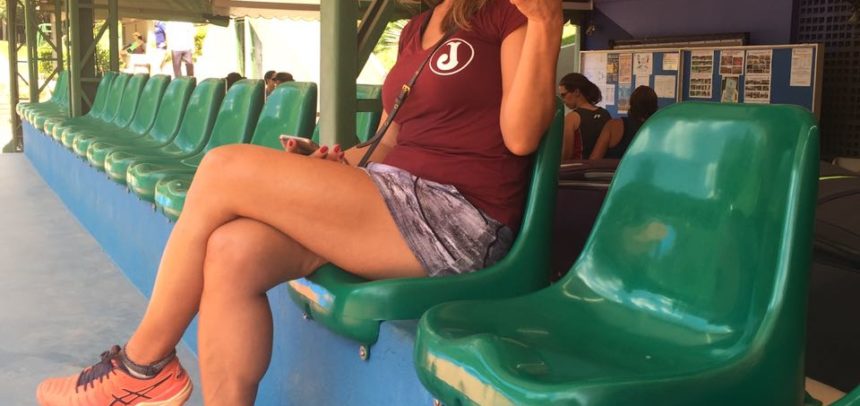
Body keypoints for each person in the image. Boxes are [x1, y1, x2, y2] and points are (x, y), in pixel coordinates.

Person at [35, 0, 562, 405]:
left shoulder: (510, 13)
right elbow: (390, 143)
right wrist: (333, 162)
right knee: (233, 250)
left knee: (221, 169)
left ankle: (142, 369)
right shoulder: (417, 27)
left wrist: (546, 22)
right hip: (390, 193)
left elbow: (520, 137)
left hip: (454, 218)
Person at [589, 85, 658, 160]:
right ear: (655, 107)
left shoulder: (613, 126)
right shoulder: (658, 129)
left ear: (632, 104)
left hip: (616, 168)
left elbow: (594, 159)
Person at [558, 73, 610, 159]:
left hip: (579, 165)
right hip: (603, 166)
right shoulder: (605, 114)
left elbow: (566, 154)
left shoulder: (572, 118)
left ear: (577, 92)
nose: (563, 100)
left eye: (564, 95)